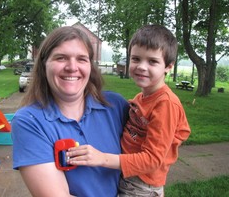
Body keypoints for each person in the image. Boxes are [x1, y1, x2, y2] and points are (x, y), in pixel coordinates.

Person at [67, 24, 191, 196]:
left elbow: (152, 160)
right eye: (136, 59)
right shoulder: (142, 98)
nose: (141, 66)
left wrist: (102, 158)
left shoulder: (166, 104)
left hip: (141, 184)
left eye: (152, 61)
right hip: (129, 175)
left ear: (168, 66)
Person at [11, 26, 129, 197]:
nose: (72, 67)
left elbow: (151, 155)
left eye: (82, 59)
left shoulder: (115, 106)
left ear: (90, 66)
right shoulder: (29, 121)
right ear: (44, 64)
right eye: (61, 58)